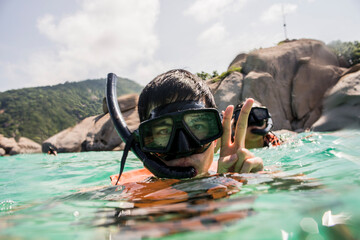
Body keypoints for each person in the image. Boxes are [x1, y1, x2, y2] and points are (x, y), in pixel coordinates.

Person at [106, 69, 264, 185]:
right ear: (145, 146)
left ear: (216, 137)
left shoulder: (237, 171)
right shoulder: (123, 195)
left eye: (197, 126)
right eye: (164, 131)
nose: (183, 148)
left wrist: (246, 182)